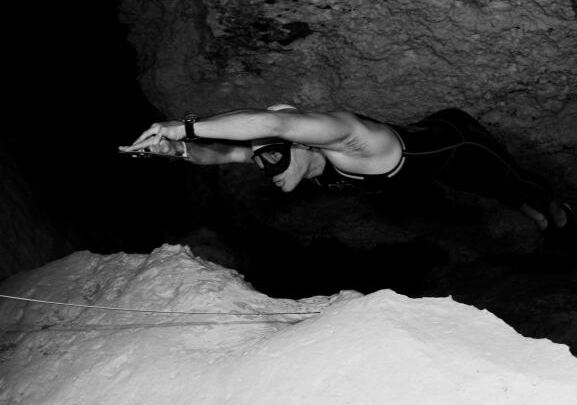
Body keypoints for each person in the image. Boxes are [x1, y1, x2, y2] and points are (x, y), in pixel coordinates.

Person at [119, 104, 574, 236]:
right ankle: (526, 209)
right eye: (261, 159)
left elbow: (276, 124)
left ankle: (553, 209)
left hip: (459, 141)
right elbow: (222, 155)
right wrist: (174, 151)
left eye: (273, 157)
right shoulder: (287, 159)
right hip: (430, 171)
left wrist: (183, 127)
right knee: (479, 191)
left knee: (512, 180)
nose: (266, 168)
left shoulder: (351, 139)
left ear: (302, 142)